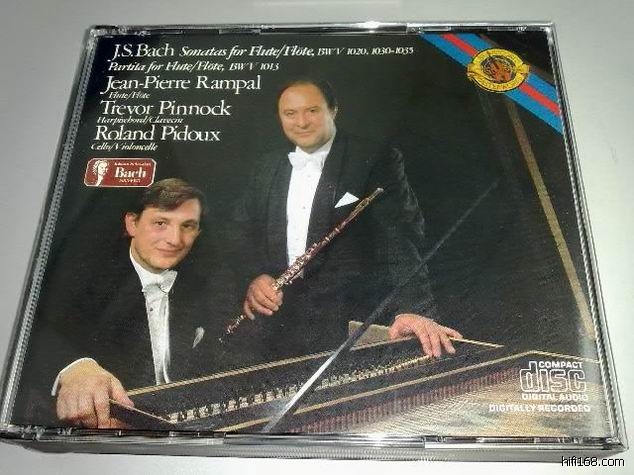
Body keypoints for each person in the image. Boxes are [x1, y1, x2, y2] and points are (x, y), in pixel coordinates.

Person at [234, 78, 462, 362]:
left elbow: (399, 237)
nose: (301, 122)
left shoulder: (374, 158)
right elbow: (241, 233)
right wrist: (255, 276)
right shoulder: (266, 167)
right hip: (280, 322)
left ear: (334, 110)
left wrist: (414, 308)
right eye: (290, 113)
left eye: (312, 111)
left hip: (347, 319)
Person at [48, 178, 217, 428]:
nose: (175, 239)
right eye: (161, 223)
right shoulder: (84, 279)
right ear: (132, 224)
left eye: (188, 226)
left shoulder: (207, 283)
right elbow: (40, 332)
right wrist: (77, 367)